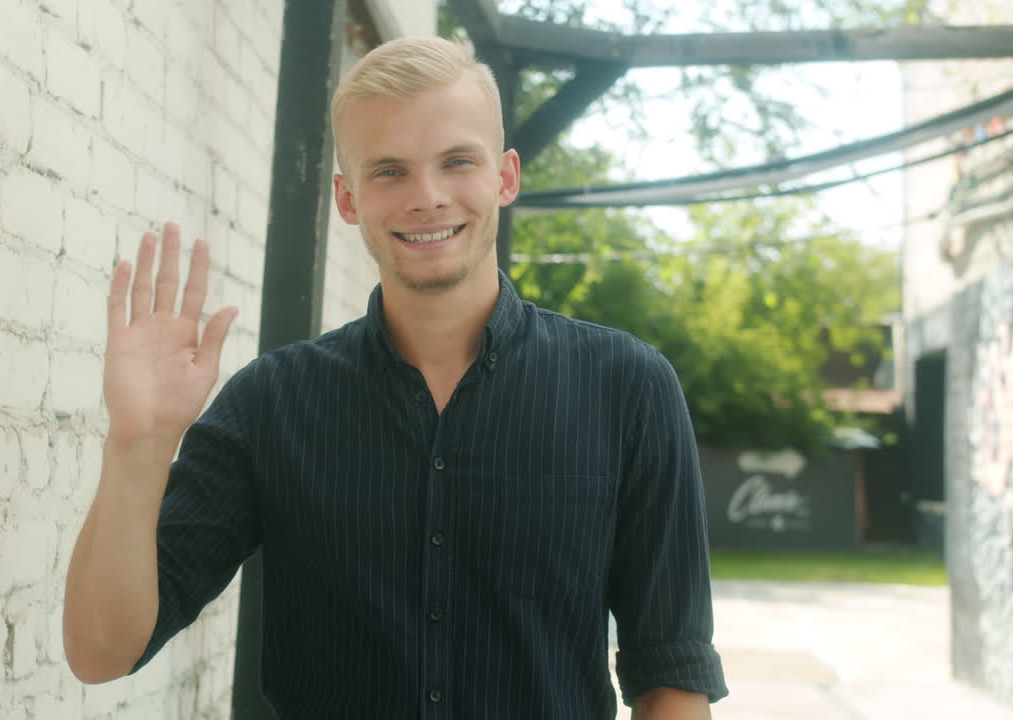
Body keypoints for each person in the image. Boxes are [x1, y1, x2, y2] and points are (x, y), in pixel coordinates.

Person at [63, 36, 727, 718]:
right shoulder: (271, 404)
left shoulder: (629, 389)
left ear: (505, 176)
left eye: (457, 161)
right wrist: (138, 449)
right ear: (348, 200)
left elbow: (670, 671)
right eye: (389, 172)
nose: (427, 197)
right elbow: (102, 651)